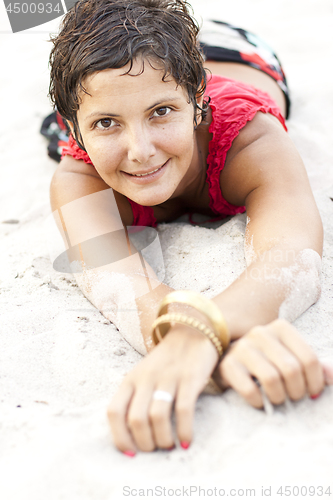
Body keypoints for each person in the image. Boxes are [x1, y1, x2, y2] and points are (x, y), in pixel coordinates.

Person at [47, 0, 333, 456]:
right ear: (76, 132)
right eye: (105, 124)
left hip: (237, 53)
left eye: (161, 112)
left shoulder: (250, 139)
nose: (140, 151)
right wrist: (212, 342)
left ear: (198, 101)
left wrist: (198, 335)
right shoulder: (78, 177)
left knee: (141, 68)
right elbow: (118, 284)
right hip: (133, 65)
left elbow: (292, 255)